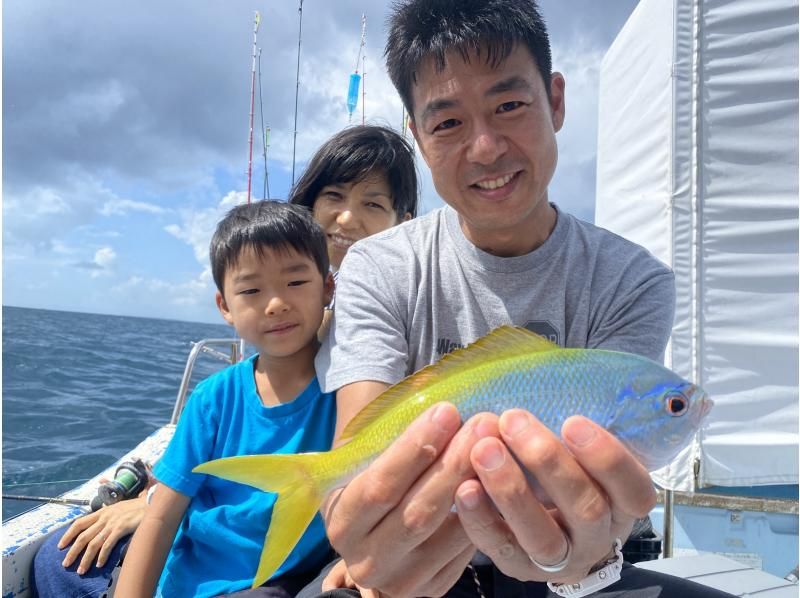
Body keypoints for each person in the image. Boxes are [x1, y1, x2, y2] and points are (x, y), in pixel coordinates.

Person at [299, 1, 735, 597]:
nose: (485, 148)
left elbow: (599, 509)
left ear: (556, 101)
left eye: (509, 105)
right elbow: (355, 455)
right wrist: (362, 531)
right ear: (418, 136)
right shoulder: (379, 265)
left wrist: (582, 563)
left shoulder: (634, 281)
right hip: (418, 560)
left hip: (563, 572)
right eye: (447, 122)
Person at [31, 124, 419, 598]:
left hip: (281, 568)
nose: (346, 219)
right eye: (333, 196)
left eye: (373, 204)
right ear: (226, 306)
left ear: (405, 221)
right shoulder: (220, 394)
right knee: (57, 557)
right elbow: (168, 509)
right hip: (196, 555)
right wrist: (159, 505)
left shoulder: (389, 341)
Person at [115, 201, 337, 597]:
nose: (276, 304)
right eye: (251, 290)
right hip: (186, 580)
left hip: (271, 585)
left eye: (296, 282)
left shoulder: (347, 391)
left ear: (328, 287)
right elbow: (162, 518)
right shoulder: (212, 399)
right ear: (225, 307)